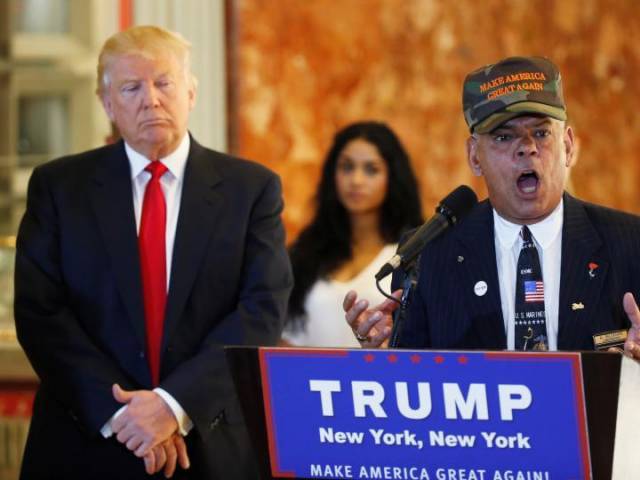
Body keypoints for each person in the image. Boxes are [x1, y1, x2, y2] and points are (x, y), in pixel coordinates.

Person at [14, 26, 292, 479]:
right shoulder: (60, 188)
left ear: (190, 92)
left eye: (164, 83)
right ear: (107, 105)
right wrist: (123, 415)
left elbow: (261, 309)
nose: (151, 99)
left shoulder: (251, 189)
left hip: (206, 442)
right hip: (86, 440)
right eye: (131, 87)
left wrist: (172, 404)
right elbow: (40, 312)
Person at [344, 56, 640, 359]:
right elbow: (410, 384)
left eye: (541, 133)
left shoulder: (631, 244)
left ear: (568, 145)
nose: (527, 147)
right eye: (503, 136)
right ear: (474, 156)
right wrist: (384, 357)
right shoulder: (428, 256)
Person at [282, 121, 422, 347]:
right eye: (347, 167)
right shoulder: (305, 254)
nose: (356, 180)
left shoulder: (415, 254)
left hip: (384, 379)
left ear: (393, 177)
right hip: (310, 379)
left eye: (371, 169)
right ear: (332, 175)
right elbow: (286, 338)